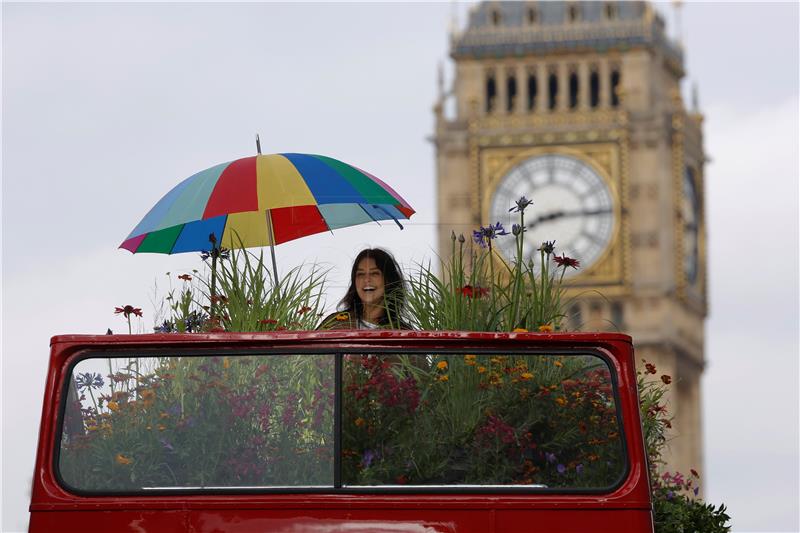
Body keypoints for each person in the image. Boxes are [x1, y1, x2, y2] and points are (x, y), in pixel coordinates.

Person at [318, 248, 409, 330]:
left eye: (374, 273)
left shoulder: (403, 331)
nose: (366, 279)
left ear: (389, 280)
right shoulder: (334, 322)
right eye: (361, 274)